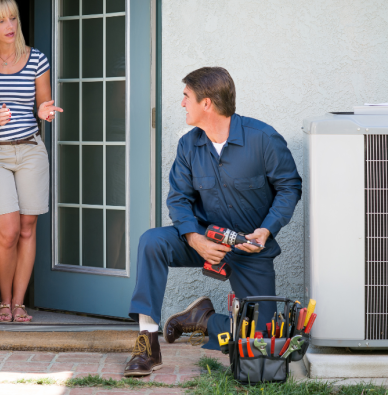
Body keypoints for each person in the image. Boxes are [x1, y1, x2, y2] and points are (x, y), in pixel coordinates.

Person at [124, 67, 302, 376]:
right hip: (205, 238)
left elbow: (290, 187)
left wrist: (266, 229)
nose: (182, 104)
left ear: (207, 103)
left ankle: (205, 320)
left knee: (264, 342)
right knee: (152, 242)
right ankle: (147, 342)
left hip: (249, 248)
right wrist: (195, 239)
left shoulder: (263, 139)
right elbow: (178, 199)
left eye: (186, 97)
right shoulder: (189, 146)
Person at [0, 0, 62, 323]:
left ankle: (19, 304)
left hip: (30, 151)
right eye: (0, 20)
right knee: (8, 231)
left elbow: (44, 104)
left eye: (12, 18)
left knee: (27, 229)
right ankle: (4, 301)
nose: (9, 26)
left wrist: (46, 111)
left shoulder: (36, 59)